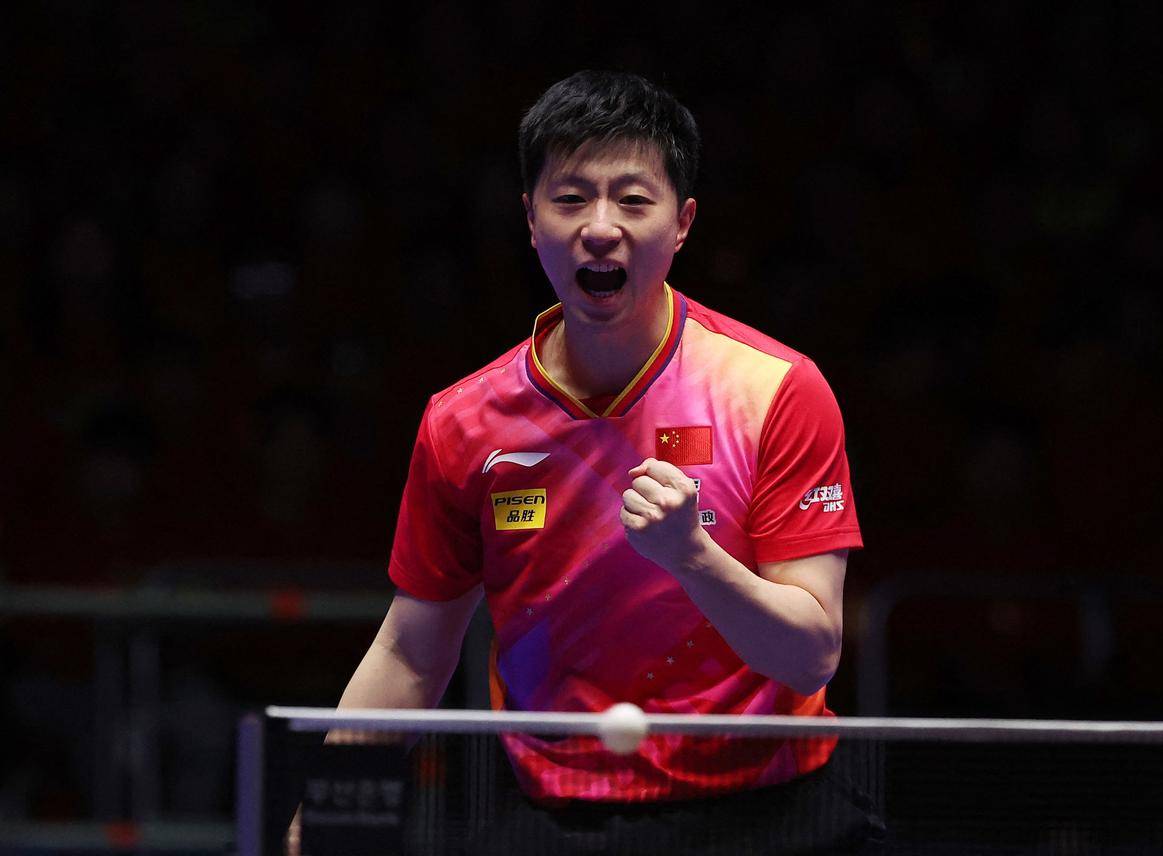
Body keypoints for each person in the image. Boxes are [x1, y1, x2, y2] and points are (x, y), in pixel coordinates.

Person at [334, 70, 882, 853]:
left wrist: (693, 557)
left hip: (773, 812)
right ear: (530, 220)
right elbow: (409, 654)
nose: (600, 227)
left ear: (682, 223)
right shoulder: (464, 423)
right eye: (570, 199)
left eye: (632, 200)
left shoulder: (774, 391)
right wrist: (320, 817)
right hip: (563, 816)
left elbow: (810, 656)